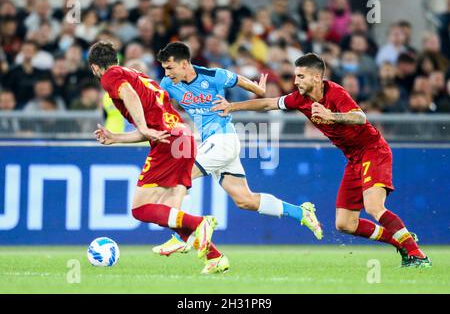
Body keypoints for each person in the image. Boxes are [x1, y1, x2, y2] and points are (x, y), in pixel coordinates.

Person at [212, 53, 432, 268]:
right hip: (353, 159)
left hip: (373, 151)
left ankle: (417, 255)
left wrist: (331, 116)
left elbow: (360, 117)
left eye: (301, 76)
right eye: (295, 76)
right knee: (345, 224)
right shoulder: (299, 99)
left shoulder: (335, 92)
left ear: (317, 77)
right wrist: (232, 107)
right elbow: (268, 103)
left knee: (374, 207)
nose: (295, 81)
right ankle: (400, 240)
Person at [150, 42, 322, 257]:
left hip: (224, 140)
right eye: (165, 68)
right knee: (245, 200)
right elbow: (153, 102)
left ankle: (181, 237)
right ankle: (300, 212)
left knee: (178, 177)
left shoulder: (214, 76)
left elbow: (244, 83)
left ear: (184, 64)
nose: (166, 73)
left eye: (170, 67)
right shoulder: (168, 83)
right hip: (212, 144)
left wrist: (258, 89)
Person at [88, 41, 228, 274]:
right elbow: (156, 125)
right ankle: (214, 257)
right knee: (170, 214)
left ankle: (200, 223)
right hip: (182, 136)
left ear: (94, 68)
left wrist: (142, 128)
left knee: (140, 209)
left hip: (169, 142)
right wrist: (117, 137)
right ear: (117, 59)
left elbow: (130, 97)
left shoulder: (110, 77)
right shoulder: (136, 74)